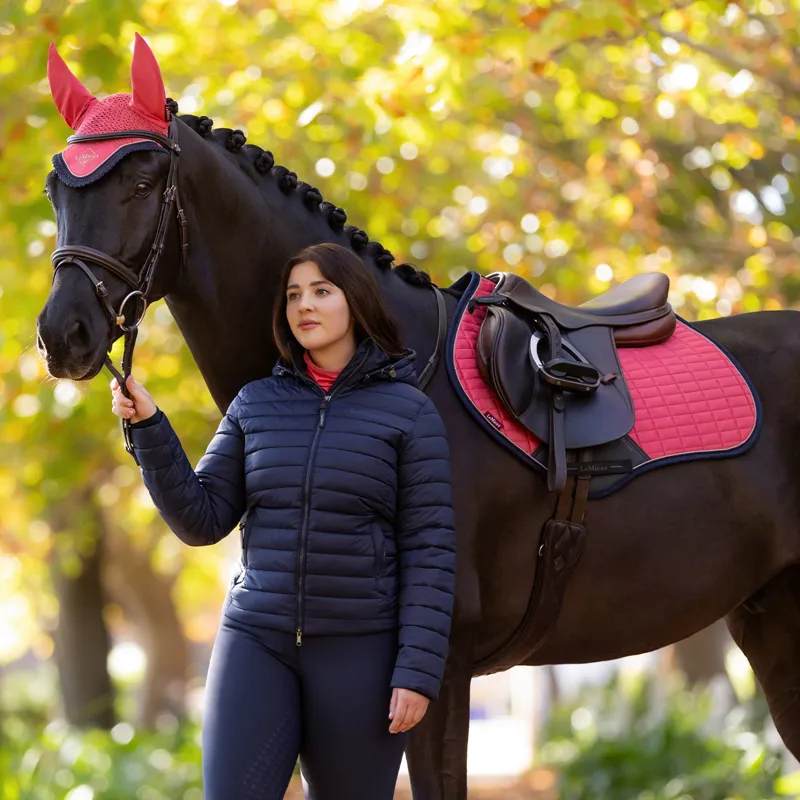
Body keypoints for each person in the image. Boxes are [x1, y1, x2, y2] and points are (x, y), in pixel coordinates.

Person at [110, 242, 457, 800]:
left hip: (360, 651)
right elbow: (201, 519)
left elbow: (431, 551)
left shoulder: (408, 413)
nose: (305, 305)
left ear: (356, 302)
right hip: (257, 639)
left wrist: (416, 671)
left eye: (322, 291)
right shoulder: (256, 404)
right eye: (294, 294)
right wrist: (150, 428)